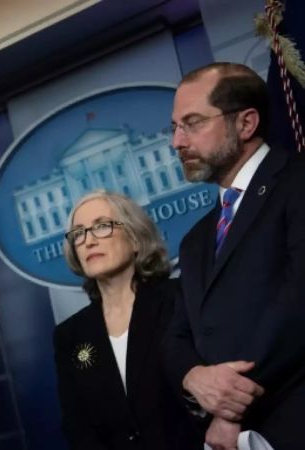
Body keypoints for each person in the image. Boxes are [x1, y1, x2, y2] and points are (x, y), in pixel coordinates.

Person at [164, 62, 305, 449]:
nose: (178, 142)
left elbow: (298, 304)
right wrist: (193, 377)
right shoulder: (195, 241)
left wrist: (229, 407)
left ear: (245, 123)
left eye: (192, 123)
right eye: (174, 127)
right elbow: (178, 335)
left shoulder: (296, 183)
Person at [53, 190, 201, 449]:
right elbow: (77, 428)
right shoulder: (70, 334)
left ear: (135, 238)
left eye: (101, 226)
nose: (88, 241)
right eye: (79, 233)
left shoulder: (180, 297)